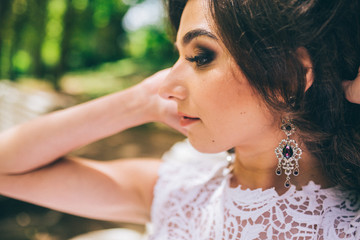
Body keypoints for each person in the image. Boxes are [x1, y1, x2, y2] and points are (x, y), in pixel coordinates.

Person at [0, 0, 360, 239]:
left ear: (288, 76)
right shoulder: (181, 187)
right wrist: (139, 101)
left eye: (200, 56)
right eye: (178, 56)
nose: (167, 84)